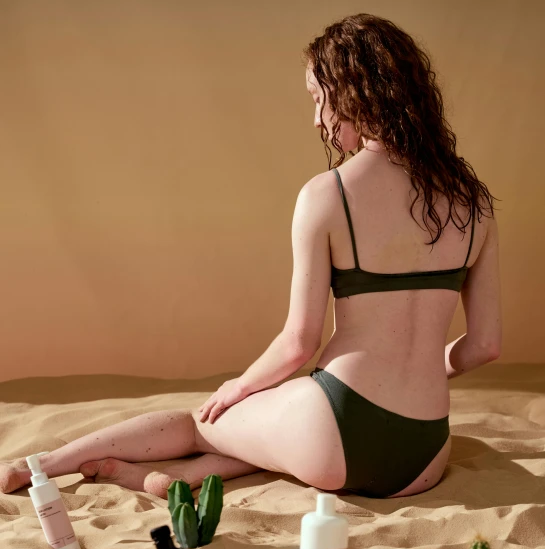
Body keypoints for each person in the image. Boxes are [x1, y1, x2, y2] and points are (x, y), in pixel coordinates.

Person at [0, 13, 501, 500]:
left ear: (352, 93)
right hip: (424, 455)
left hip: (336, 432)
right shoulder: (475, 202)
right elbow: (484, 347)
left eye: (319, 98)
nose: (317, 118)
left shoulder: (330, 196)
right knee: (280, 423)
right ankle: (183, 479)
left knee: (204, 423)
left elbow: (297, 345)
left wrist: (237, 388)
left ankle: (37, 466)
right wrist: (416, 371)